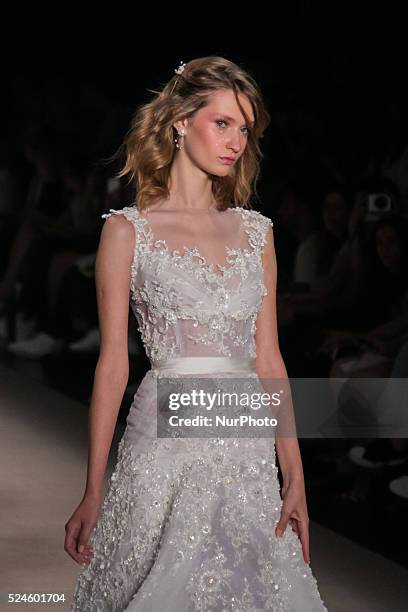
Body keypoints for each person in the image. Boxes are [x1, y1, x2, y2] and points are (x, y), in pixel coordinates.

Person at [65, 56, 328, 611]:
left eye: (245, 129)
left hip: (245, 446)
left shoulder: (257, 233)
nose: (236, 141)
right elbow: (113, 364)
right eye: (223, 122)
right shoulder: (126, 231)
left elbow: (270, 360)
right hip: (163, 441)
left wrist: (295, 473)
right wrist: (93, 487)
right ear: (181, 121)